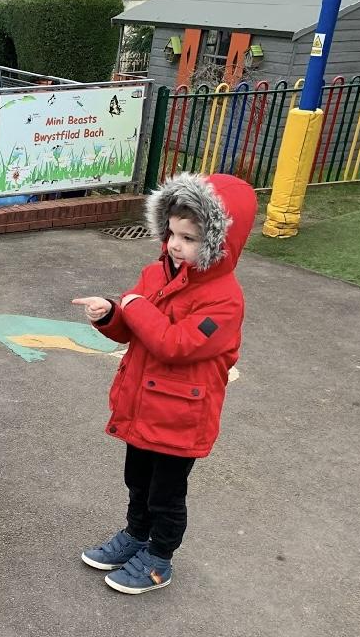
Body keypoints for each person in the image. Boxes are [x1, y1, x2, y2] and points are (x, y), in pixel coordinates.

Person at [73, 172, 255, 594]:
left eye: (189, 238)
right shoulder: (156, 274)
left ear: (219, 242)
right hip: (143, 406)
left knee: (166, 495)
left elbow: (174, 345)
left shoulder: (225, 299)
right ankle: (136, 535)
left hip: (181, 418)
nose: (175, 245)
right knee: (137, 481)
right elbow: (131, 326)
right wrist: (111, 314)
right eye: (171, 233)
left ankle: (158, 559)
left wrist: (133, 305)